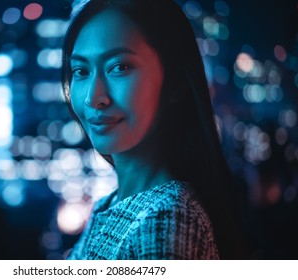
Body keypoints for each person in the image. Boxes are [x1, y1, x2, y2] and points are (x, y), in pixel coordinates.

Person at [61, 0, 247, 259]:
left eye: (120, 67)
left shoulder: (165, 217)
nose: (93, 98)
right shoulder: (109, 206)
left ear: (174, 80)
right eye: (80, 71)